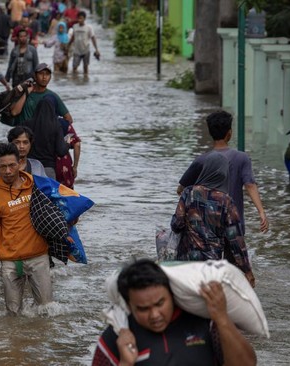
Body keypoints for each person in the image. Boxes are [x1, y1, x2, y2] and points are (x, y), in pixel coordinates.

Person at [92, 259, 257, 366]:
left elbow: (247, 364)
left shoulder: (205, 323)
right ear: (129, 305)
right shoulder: (117, 338)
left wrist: (221, 318)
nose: (155, 315)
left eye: (160, 303)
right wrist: (126, 363)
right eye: (143, 309)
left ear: (171, 295)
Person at [0, 143, 53, 315]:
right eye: (2, 167)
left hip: (38, 257)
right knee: (12, 314)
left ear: (20, 163)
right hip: (10, 261)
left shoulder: (38, 185)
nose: (8, 171)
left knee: (47, 310)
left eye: (12, 165)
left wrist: (72, 220)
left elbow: (63, 204)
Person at [171, 152, 255, 287]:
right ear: (224, 173)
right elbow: (236, 241)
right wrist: (247, 270)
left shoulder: (189, 193)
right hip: (211, 267)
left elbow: (176, 225)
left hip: (185, 263)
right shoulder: (226, 201)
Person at [177, 111, 269, 235]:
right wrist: (261, 212)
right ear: (229, 134)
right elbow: (250, 185)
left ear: (210, 133)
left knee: (211, 254)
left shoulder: (201, 160)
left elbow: (181, 190)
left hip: (207, 225)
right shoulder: (242, 158)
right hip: (233, 222)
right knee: (235, 253)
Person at [24, 97, 69, 179]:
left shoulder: (27, 124)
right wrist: (67, 143)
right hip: (48, 167)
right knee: (47, 191)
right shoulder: (56, 126)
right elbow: (61, 151)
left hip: (30, 167)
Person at [56, 117, 81, 188]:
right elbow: (77, 144)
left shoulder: (39, 122)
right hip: (64, 164)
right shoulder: (65, 123)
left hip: (48, 163)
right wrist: (75, 167)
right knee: (68, 193)